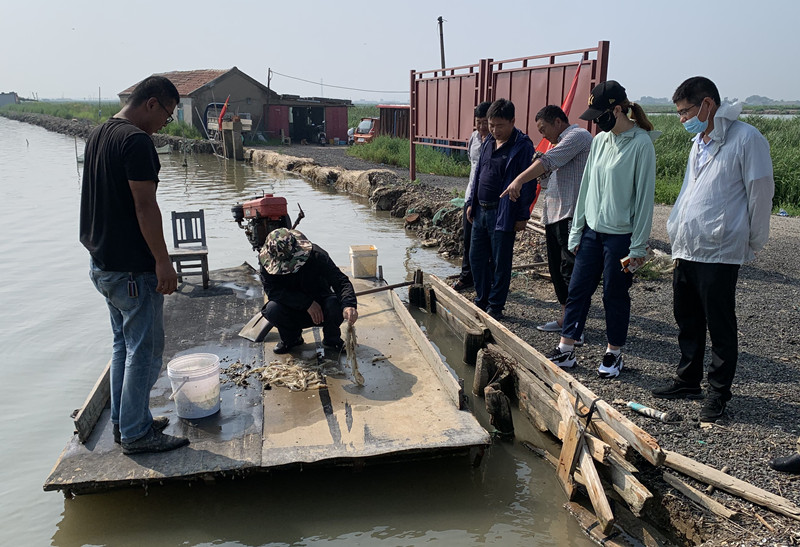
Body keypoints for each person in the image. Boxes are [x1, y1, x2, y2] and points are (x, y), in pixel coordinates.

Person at [652, 76, 774, 423]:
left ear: (707, 104)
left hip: (720, 248)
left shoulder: (746, 138)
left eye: (685, 111)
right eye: (679, 113)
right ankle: (688, 380)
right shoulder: (700, 142)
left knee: (720, 325)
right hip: (688, 247)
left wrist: (753, 240)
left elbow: (760, 192)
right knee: (687, 318)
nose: (682, 119)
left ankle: (718, 393)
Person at [80, 75, 190, 455]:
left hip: (102, 263)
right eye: (167, 116)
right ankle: (137, 434)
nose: (164, 125)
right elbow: (145, 207)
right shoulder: (136, 141)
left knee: (122, 346)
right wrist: (163, 262)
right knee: (144, 350)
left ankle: (125, 422)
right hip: (131, 269)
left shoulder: (99, 134)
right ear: (152, 103)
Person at [546, 81, 656, 379]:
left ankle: (613, 352)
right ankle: (566, 348)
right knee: (578, 288)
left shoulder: (641, 144)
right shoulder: (600, 141)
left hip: (621, 236)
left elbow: (644, 199)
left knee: (614, 293)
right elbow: (586, 188)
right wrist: (577, 230)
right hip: (592, 232)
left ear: (617, 109)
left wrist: (638, 246)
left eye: (600, 115)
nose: (596, 122)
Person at [501, 105, 593, 339]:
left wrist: (519, 180)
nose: (542, 135)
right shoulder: (558, 144)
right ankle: (565, 319)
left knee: (570, 270)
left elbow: (549, 161)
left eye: (543, 129)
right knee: (557, 269)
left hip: (570, 214)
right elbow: (546, 174)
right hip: (554, 215)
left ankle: (575, 326)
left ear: (558, 122)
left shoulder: (578, 136)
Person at [465, 98, 536, 320]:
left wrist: (523, 215)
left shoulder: (522, 146)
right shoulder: (488, 142)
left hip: (503, 212)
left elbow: (529, 183)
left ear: (513, 121)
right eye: (491, 125)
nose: (495, 130)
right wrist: (472, 202)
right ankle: (482, 299)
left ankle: (495, 306)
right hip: (481, 210)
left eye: (500, 126)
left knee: (500, 261)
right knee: (476, 258)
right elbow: (478, 174)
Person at [259, 228, 358, 353]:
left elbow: (340, 281)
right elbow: (272, 291)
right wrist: (306, 303)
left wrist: (349, 305)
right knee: (272, 309)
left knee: (335, 304)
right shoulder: (266, 262)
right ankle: (292, 339)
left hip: (322, 306)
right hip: (292, 308)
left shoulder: (317, 255)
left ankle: (332, 339)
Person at [452, 101, 492, 292]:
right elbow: (473, 166)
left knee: (489, 243)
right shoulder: (474, 138)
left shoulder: (497, 141)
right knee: (468, 239)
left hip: (489, 200)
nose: (482, 126)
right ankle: (467, 277)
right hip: (471, 196)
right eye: (479, 122)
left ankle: (489, 280)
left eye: (485, 122)